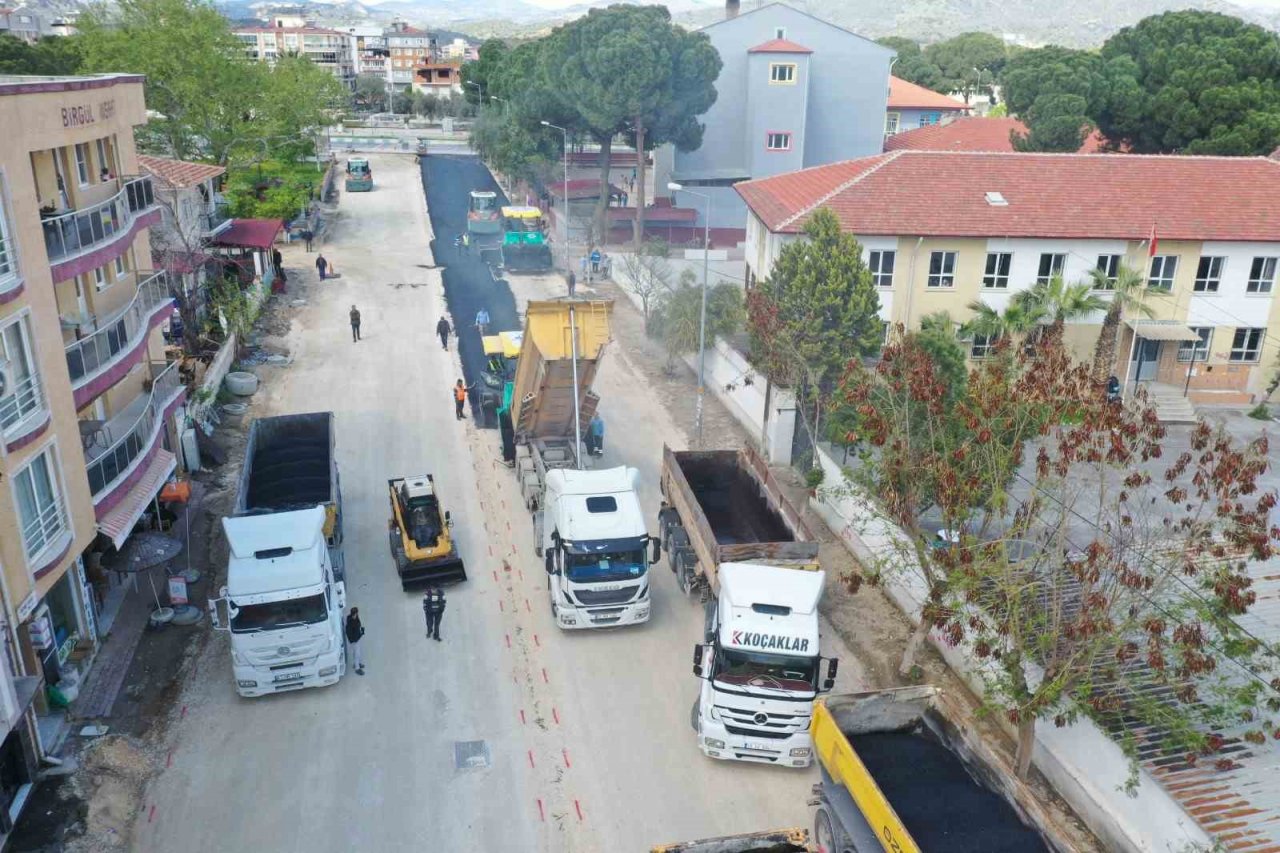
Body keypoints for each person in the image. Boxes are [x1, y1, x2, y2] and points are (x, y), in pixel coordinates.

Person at [345, 607, 365, 675]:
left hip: (355, 639)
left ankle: (357, 663)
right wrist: (361, 633)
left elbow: (358, 625)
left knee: (356, 652)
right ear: (355, 613)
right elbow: (352, 634)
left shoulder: (352, 618)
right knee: (357, 653)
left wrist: (360, 630)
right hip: (354, 640)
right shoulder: (351, 623)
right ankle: (357, 668)